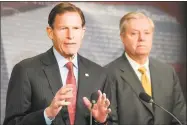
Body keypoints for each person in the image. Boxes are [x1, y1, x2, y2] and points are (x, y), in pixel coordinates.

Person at [3, 2, 111, 125]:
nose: (70, 36)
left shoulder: (99, 73)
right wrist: (47, 114)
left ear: (83, 32)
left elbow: (112, 121)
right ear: (50, 32)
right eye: (63, 28)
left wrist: (102, 121)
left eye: (76, 28)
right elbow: (12, 123)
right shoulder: (26, 70)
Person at [106, 12, 186, 125]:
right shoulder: (108, 74)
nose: (142, 38)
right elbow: (109, 120)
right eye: (134, 33)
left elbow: (180, 118)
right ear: (122, 37)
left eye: (147, 33)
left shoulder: (167, 72)